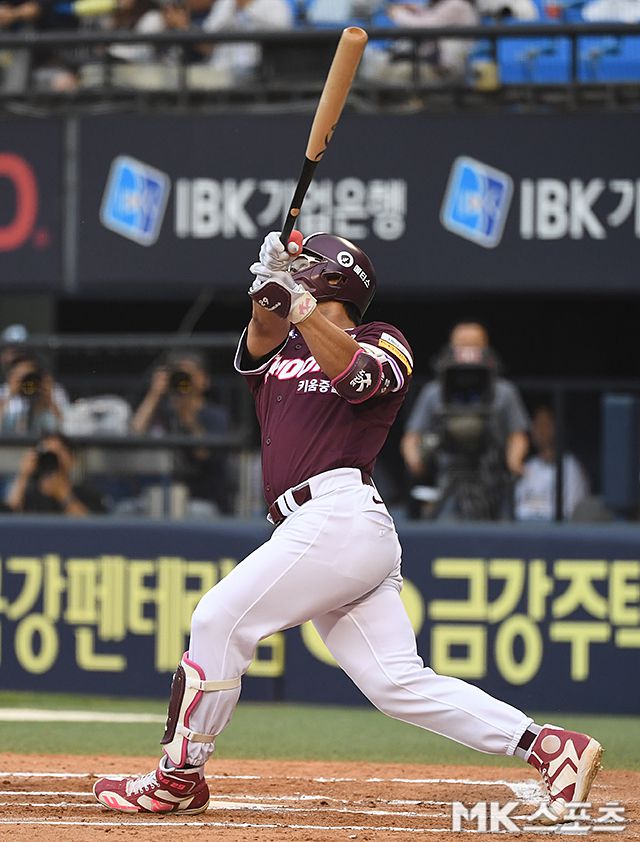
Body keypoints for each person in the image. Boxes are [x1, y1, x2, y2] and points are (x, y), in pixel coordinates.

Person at [93, 230, 602, 823]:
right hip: (317, 528)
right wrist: (269, 281)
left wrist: (302, 307)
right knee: (396, 684)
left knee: (217, 619)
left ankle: (178, 777)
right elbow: (262, 328)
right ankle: (550, 748)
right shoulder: (283, 346)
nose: (298, 271)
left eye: (307, 264)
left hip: (339, 513)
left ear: (334, 278)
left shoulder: (383, 339)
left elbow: (359, 378)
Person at [400, 320, 529, 519]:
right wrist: (415, 459)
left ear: (486, 347)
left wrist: (515, 460)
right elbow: (412, 436)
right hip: (449, 483)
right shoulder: (434, 392)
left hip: (493, 483)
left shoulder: (504, 392)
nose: (468, 351)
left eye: (474, 344)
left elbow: (517, 435)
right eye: (462, 344)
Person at [131, 350, 233, 514]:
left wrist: (187, 415)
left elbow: (203, 454)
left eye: (189, 375)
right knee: (125, 510)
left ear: (204, 380)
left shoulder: (216, 416)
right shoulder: (162, 410)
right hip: (157, 495)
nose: (183, 381)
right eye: (179, 374)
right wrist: (154, 394)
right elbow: (135, 433)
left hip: (201, 499)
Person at [515, 404, 590, 521]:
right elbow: (516, 507)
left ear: (557, 428)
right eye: (536, 425)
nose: (540, 430)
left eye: (545, 425)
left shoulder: (570, 467)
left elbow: (572, 512)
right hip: (525, 528)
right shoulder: (529, 466)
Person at [5, 431, 107, 515]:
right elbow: (9, 517)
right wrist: (23, 475)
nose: (53, 458)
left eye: (59, 452)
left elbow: (92, 528)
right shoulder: (28, 494)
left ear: (72, 460)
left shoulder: (88, 494)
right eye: (48, 453)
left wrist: (63, 495)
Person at [0, 351, 69, 435]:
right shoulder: (3, 392)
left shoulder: (53, 390)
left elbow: (67, 428)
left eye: (28, 377)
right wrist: (9, 395)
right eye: (21, 377)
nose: (25, 383)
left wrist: (48, 400)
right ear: (11, 376)